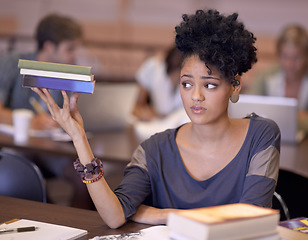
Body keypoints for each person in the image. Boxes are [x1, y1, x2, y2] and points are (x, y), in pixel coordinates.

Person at [33, 9, 280, 228]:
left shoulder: (261, 135)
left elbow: (251, 216)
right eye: (186, 83)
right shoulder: (155, 148)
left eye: (210, 85)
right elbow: (114, 216)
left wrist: (162, 214)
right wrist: (78, 137)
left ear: (234, 86)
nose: (196, 96)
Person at [0, 13, 93, 209]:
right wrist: (30, 122)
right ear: (49, 46)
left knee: (84, 177)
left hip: (51, 146)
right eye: (70, 48)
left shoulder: (68, 73)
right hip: (17, 147)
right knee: (31, 182)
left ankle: (78, 228)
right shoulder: (11, 63)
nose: (74, 55)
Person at [248, 24, 308, 135]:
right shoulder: (266, 75)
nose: (290, 64)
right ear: (278, 55)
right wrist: (302, 115)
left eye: (297, 57)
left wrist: (272, 117)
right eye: (285, 56)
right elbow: (249, 113)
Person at [132, 45, 183, 121]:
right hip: (157, 123)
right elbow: (137, 106)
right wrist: (146, 113)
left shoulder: (195, 75)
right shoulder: (153, 67)